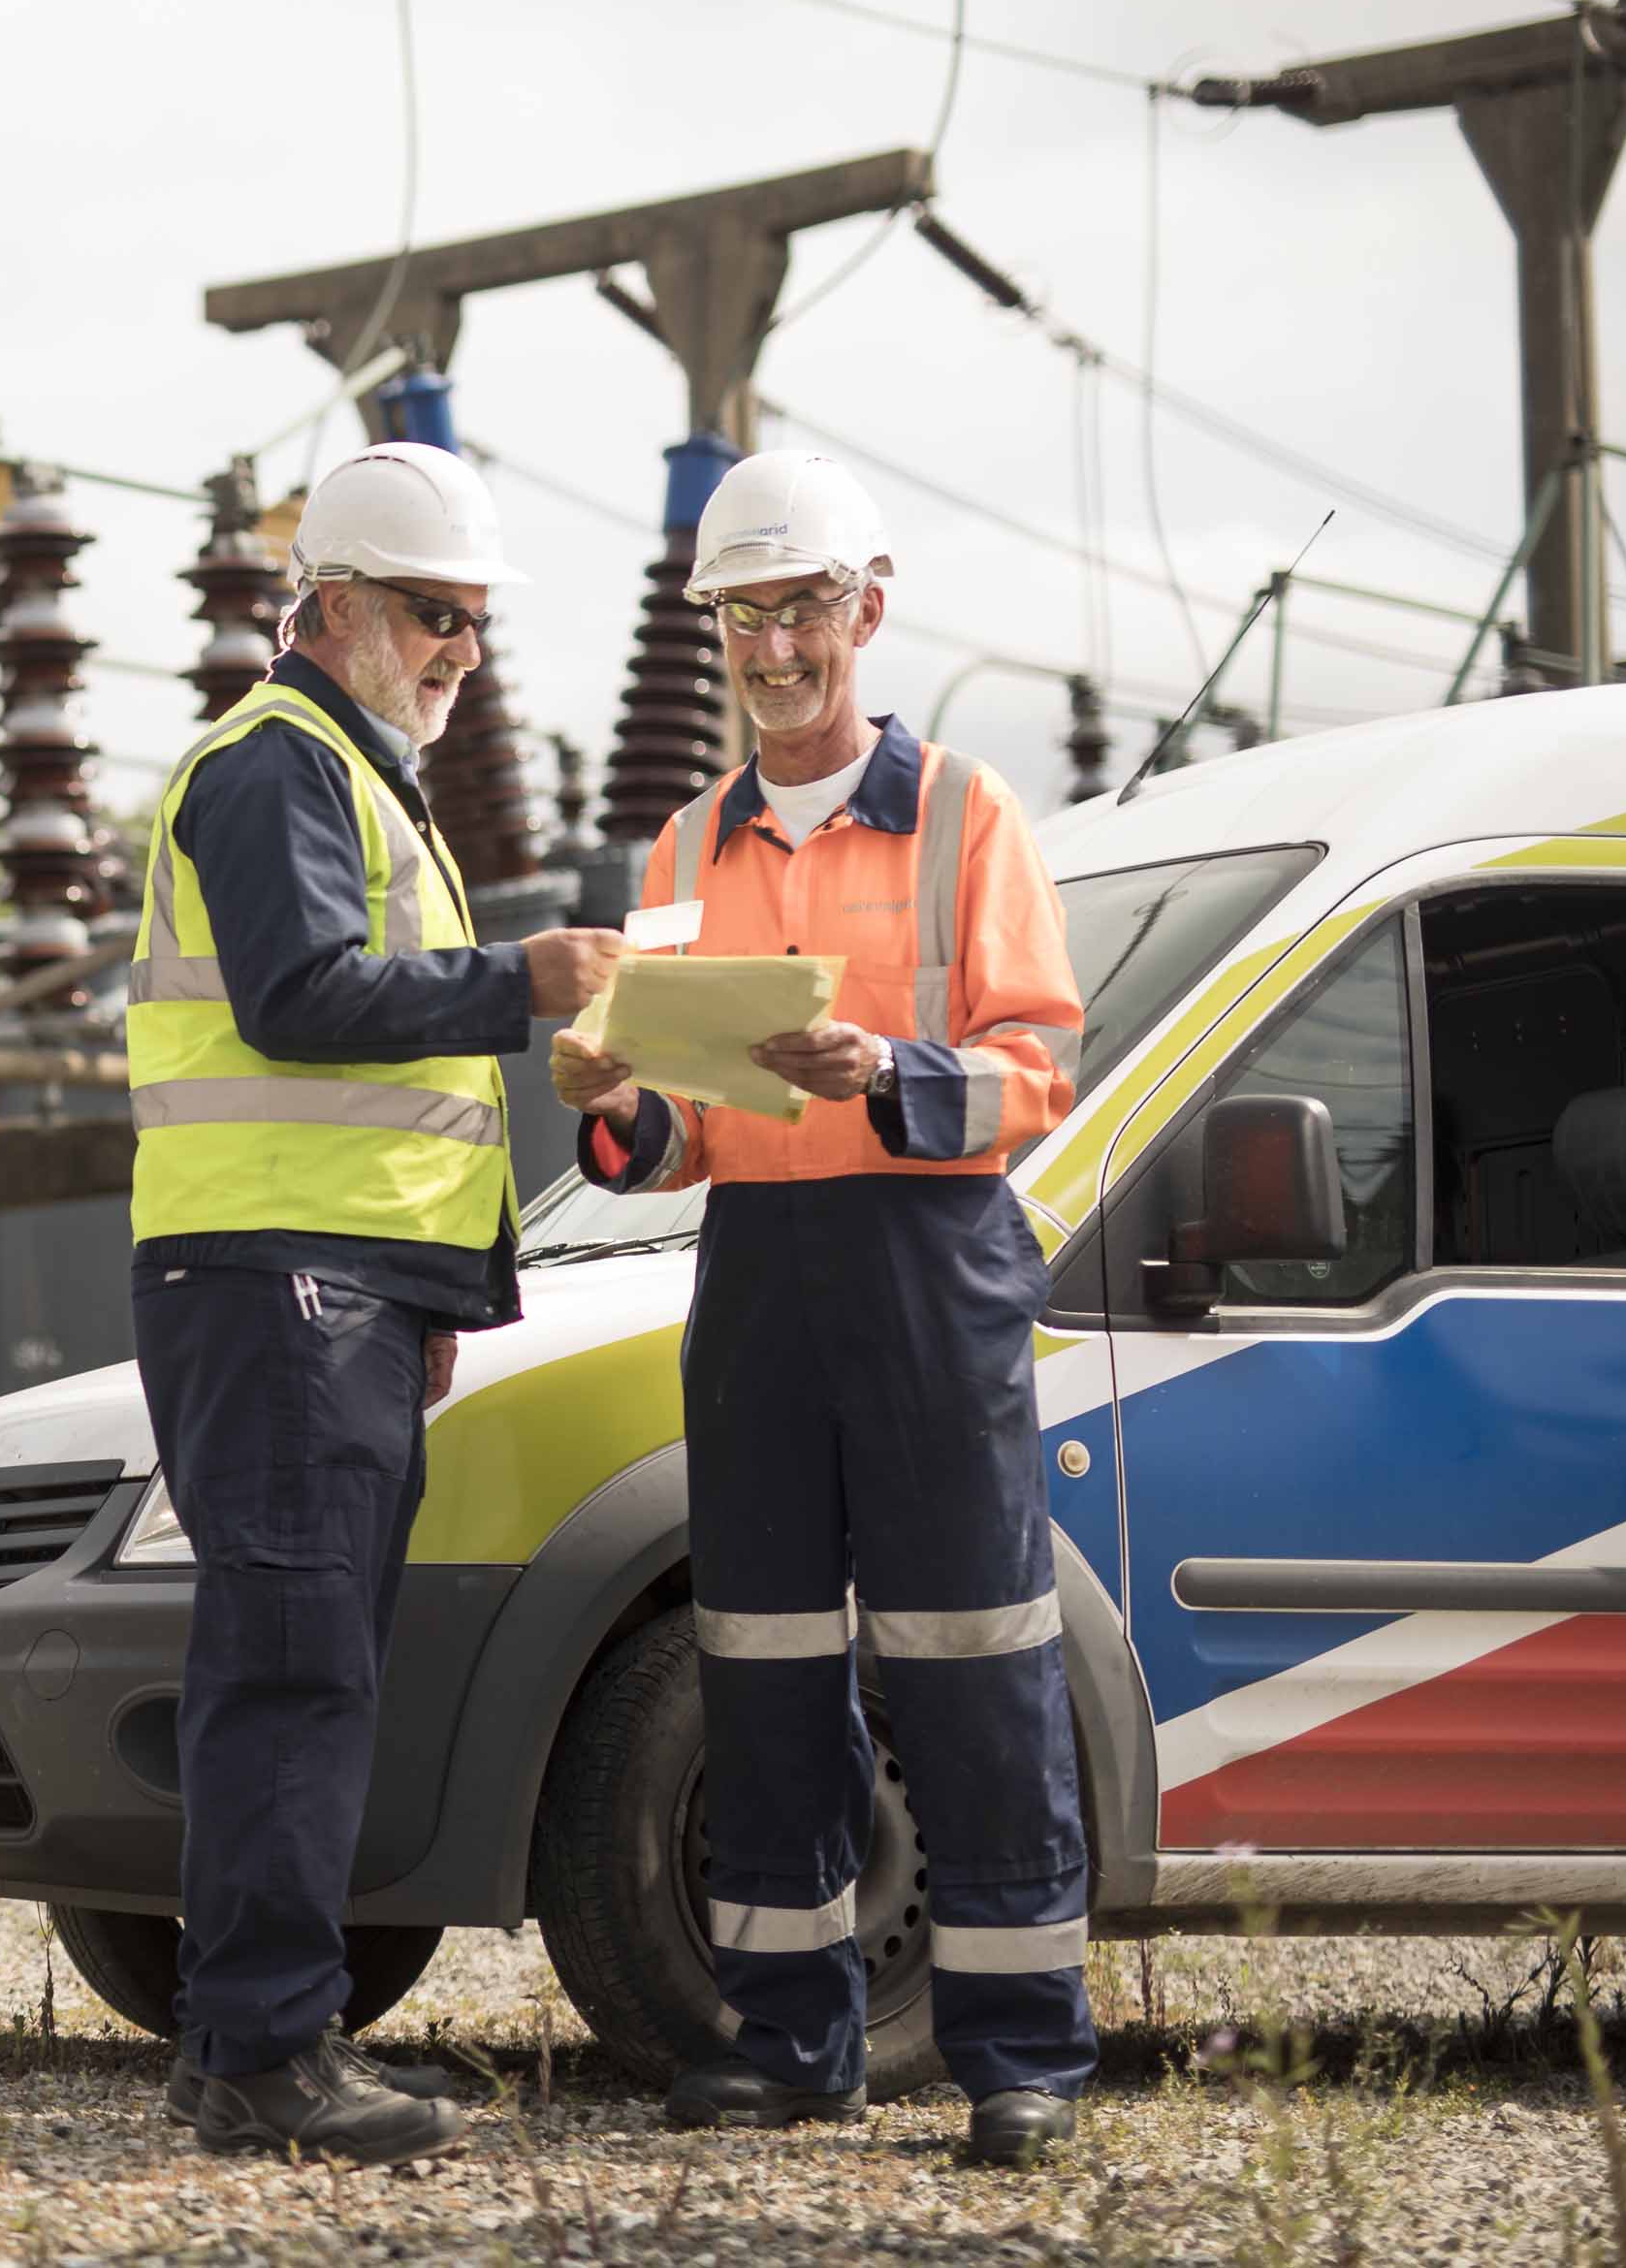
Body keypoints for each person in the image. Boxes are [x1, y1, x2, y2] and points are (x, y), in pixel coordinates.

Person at [548, 450, 1096, 2166]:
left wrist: (889, 1072)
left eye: (802, 609)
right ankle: (794, 2041)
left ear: (869, 606)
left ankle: (1021, 2056)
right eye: (743, 615)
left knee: (973, 1657)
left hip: (930, 1265)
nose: (775, 648)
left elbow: (1041, 1070)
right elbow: (678, 1133)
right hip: (762, 1283)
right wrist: (605, 1094)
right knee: (763, 1656)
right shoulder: (686, 841)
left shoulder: (970, 817)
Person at [124, 438, 623, 2160]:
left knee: (295, 1663)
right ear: (332, 602)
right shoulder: (276, 768)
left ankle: (234, 2046)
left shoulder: (351, 776)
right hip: (281, 1285)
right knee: (291, 1674)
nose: (459, 655)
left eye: (477, 627)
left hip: (323, 1290)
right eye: (433, 615)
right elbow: (301, 1001)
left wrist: (419, 1298)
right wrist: (523, 980)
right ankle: (270, 2051)